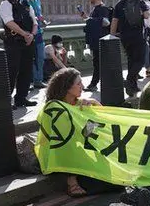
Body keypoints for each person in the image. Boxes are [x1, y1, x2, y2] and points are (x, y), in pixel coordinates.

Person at [44, 68, 120, 198]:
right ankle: (71, 182)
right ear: (67, 87)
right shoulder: (54, 108)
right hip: (61, 151)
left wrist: (94, 105)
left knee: (117, 184)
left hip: (82, 148)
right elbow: (65, 139)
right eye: (78, 84)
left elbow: (99, 126)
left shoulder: (79, 103)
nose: (83, 87)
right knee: (70, 145)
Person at [0, 0, 38, 108]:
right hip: (13, 42)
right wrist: (25, 34)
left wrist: (31, 35)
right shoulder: (6, 3)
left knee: (26, 71)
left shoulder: (27, 3)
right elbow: (9, 22)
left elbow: (35, 21)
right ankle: (5, 101)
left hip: (27, 42)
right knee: (11, 71)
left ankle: (21, 98)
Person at [110, 0, 149, 97]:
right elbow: (147, 15)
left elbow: (114, 21)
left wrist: (111, 36)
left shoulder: (120, 4)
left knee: (131, 59)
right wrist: (141, 14)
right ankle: (129, 80)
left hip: (125, 36)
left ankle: (132, 85)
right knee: (140, 60)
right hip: (138, 35)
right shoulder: (140, 2)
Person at [80, 0, 111, 92]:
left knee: (98, 63)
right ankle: (96, 83)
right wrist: (87, 18)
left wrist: (89, 19)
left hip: (101, 40)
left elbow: (106, 22)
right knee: (98, 63)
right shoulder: (95, 9)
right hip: (96, 40)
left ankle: (94, 84)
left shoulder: (103, 8)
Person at [21, 0, 47, 89]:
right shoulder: (23, 0)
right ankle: (32, 80)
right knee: (30, 57)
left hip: (39, 31)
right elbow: (25, 16)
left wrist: (42, 20)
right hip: (29, 32)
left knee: (41, 56)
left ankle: (38, 80)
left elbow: (38, 13)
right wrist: (36, 18)